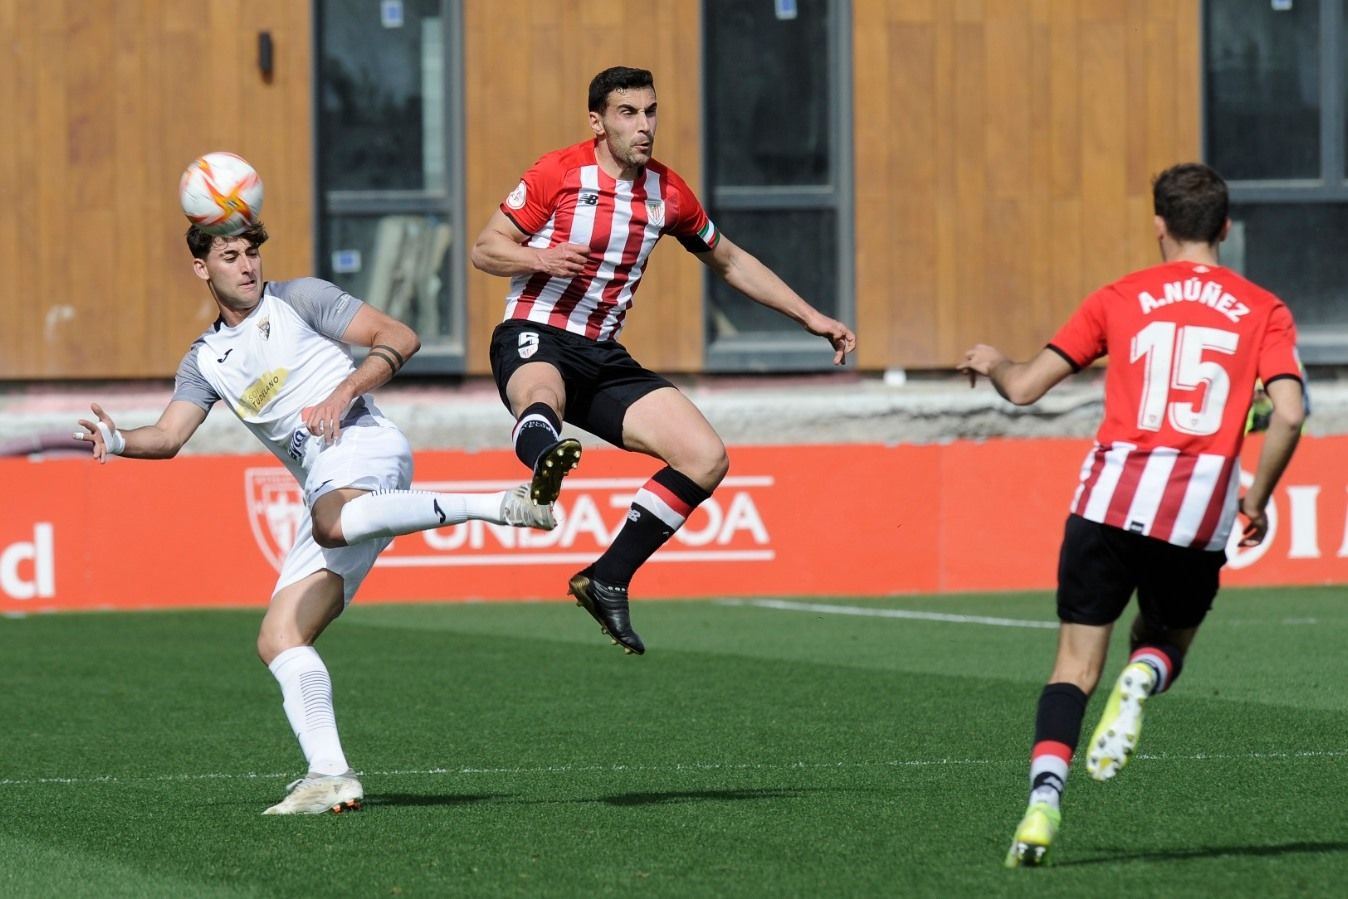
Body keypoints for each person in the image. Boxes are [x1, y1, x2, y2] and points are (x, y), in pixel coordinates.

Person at [74, 221, 556, 815]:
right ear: (203, 269)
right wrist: (119, 439)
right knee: (280, 638)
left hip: (365, 445)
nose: (247, 266)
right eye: (230, 257)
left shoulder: (300, 298)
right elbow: (170, 435)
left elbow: (400, 336)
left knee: (333, 521)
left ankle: (499, 504)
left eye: (252, 253)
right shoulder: (206, 360)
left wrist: (344, 391)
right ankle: (329, 774)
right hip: (327, 485)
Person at [957, 162, 1306, 867]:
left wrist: (995, 360)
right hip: (1197, 512)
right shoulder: (1263, 308)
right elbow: (1292, 413)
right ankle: (1144, 676)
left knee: (1073, 668)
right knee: (1166, 640)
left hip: (1108, 502)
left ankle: (1043, 803)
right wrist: (1257, 499)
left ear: (1159, 225)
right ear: (1225, 229)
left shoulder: (1120, 297)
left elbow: (1025, 388)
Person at [470, 66, 856, 656]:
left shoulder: (668, 192)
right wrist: (544, 258)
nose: (644, 125)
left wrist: (811, 317)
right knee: (540, 398)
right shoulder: (558, 172)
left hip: (602, 355)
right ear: (597, 122)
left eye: (651, 112)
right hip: (536, 331)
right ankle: (544, 466)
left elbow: (729, 261)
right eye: (628, 113)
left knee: (705, 457)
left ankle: (608, 577)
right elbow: (486, 248)